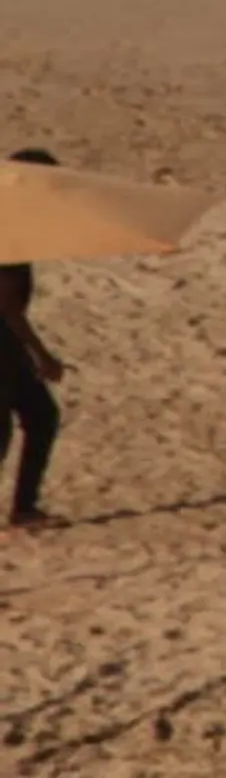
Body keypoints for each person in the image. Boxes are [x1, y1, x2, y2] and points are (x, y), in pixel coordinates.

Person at [2, 147, 61, 529]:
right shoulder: (8, 231)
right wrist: (41, 354)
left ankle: (25, 507)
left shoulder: (14, 224)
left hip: (7, 346)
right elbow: (6, 306)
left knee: (41, 416)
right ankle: (24, 507)